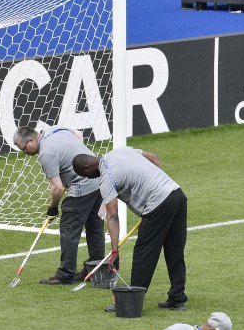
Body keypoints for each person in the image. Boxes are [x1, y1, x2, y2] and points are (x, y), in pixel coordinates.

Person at [72, 147, 188, 312]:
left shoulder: (106, 178)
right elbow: (154, 158)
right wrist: (160, 186)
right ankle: (177, 299)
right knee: (174, 251)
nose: (91, 178)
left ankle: (131, 301)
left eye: (87, 176)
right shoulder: (120, 151)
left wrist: (114, 250)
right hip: (176, 194)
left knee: (143, 253)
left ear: (87, 168)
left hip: (157, 204)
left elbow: (113, 216)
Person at [13, 125, 105, 284]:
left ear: (31, 140)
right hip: (99, 180)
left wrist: (53, 208)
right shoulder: (54, 129)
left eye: (24, 149)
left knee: (68, 229)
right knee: (95, 226)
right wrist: (77, 160)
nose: (25, 153)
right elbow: (79, 134)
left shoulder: (46, 153)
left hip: (82, 187)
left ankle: (65, 274)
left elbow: (57, 188)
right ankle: (95, 268)